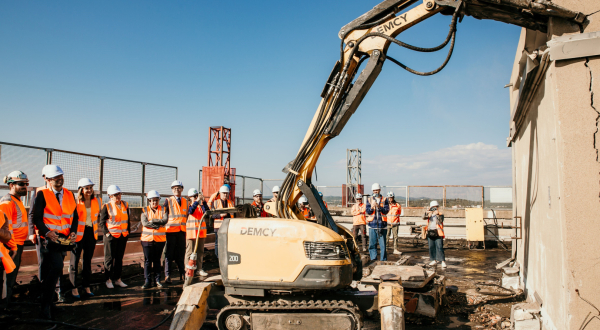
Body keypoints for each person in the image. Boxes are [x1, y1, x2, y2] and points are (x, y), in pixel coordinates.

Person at [31, 165, 79, 320]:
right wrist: (46, 233)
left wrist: (73, 231)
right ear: (48, 180)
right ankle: (45, 306)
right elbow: (36, 217)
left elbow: (75, 216)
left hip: (63, 240)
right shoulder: (42, 194)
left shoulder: (70, 194)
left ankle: (49, 303)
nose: (59, 179)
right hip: (48, 240)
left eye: (60, 176)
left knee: (53, 270)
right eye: (55, 178)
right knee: (56, 268)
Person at [0, 171, 28, 309]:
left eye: (26, 184)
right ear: (11, 185)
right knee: (7, 278)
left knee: (11, 277)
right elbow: (5, 228)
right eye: (21, 184)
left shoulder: (17, 200)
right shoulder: (7, 202)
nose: (25, 187)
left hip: (17, 244)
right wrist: (12, 247)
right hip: (11, 246)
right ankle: (4, 307)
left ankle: (7, 304)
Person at [68, 178, 100, 298]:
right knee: (74, 262)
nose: (89, 190)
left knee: (87, 261)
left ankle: (86, 286)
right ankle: (74, 288)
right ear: (81, 190)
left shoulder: (97, 201)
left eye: (91, 188)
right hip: (77, 234)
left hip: (91, 234)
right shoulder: (75, 202)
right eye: (87, 188)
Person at [99, 185, 130, 289]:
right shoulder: (106, 206)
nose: (118, 196)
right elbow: (102, 222)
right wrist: (107, 234)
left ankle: (117, 279)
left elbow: (127, 220)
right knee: (109, 259)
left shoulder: (125, 204)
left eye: (119, 194)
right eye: (115, 195)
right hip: (111, 237)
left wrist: (127, 232)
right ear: (110, 196)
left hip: (122, 236)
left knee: (119, 259)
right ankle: (108, 280)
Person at [141, 190, 168, 289]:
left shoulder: (163, 209)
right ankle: (147, 281)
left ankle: (157, 280)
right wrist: (157, 226)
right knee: (148, 261)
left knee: (157, 260)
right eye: (152, 200)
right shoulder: (144, 210)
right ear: (149, 200)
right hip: (147, 240)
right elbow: (145, 223)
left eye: (156, 200)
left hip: (159, 240)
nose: (154, 202)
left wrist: (152, 221)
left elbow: (164, 220)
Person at [163, 180, 187, 284]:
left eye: (178, 188)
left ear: (182, 189)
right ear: (172, 190)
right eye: (174, 188)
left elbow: (187, 214)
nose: (176, 190)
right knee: (169, 254)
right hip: (171, 231)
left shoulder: (186, 201)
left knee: (181, 254)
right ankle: (167, 275)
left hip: (181, 231)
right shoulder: (168, 201)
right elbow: (164, 215)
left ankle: (182, 274)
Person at [185, 188, 208, 277]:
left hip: (200, 233)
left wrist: (204, 201)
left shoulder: (201, 206)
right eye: (194, 197)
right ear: (189, 198)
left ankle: (199, 269)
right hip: (191, 233)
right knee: (189, 252)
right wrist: (196, 201)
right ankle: (188, 270)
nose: (195, 198)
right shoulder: (188, 205)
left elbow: (208, 212)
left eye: (196, 196)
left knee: (200, 252)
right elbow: (190, 211)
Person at [365, 183, 389, 261]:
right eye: (374, 190)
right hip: (372, 225)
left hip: (382, 225)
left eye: (377, 190)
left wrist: (379, 207)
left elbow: (386, 211)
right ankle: (373, 259)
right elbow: (368, 211)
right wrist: (372, 207)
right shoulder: (369, 199)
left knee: (383, 245)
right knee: (372, 244)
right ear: (372, 191)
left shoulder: (385, 199)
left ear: (379, 190)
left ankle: (383, 260)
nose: (375, 191)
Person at [211, 185, 234, 259]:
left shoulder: (231, 203)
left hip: (228, 226)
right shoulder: (215, 203)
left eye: (226, 193)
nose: (225, 195)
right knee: (218, 243)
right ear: (220, 193)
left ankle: (225, 257)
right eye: (223, 193)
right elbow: (212, 216)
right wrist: (220, 215)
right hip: (218, 227)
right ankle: (217, 258)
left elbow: (234, 215)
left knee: (227, 243)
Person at [423, 201, 446, 268]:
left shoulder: (440, 214)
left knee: (439, 247)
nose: (434, 209)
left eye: (436, 207)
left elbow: (441, 220)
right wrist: (426, 212)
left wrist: (437, 214)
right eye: (433, 207)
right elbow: (423, 217)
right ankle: (433, 260)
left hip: (438, 233)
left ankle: (442, 261)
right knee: (431, 247)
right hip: (430, 232)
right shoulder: (429, 214)